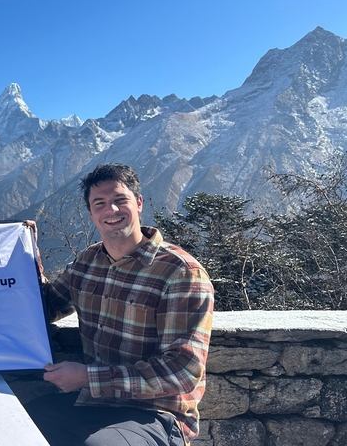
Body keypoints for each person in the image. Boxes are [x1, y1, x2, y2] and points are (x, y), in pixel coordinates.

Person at [25, 164, 214, 446]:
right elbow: (43, 308)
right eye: (100, 203)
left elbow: (182, 371)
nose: (111, 211)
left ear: (138, 203)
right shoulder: (88, 263)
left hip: (156, 414)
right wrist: (26, 256)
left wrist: (87, 378)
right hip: (92, 404)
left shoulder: (181, 273)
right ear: (91, 214)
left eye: (120, 200)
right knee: (9, 425)